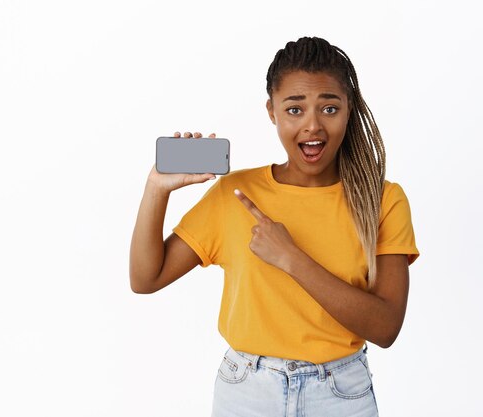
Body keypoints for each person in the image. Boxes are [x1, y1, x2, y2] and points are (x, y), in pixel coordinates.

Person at [130, 36, 419, 417]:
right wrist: (157, 189)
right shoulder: (235, 193)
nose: (312, 125)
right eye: (295, 109)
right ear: (272, 111)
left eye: (329, 108)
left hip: (340, 394)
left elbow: (385, 328)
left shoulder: (382, 200)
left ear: (349, 110)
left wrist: (291, 259)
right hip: (247, 391)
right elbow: (146, 279)